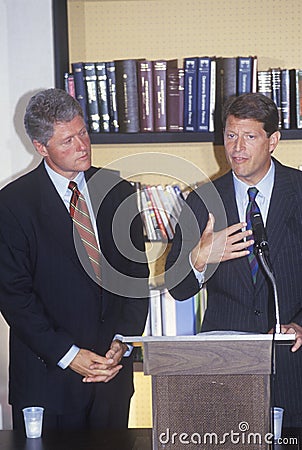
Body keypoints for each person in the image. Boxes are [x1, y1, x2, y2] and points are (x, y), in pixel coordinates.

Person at [0, 88, 149, 430]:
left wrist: (123, 343)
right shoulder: (13, 204)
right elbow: (15, 298)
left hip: (111, 378)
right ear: (41, 148)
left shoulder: (118, 191)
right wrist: (70, 356)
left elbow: (136, 279)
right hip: (47, 383)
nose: (81, 146)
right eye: (67, 141)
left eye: (82, 133)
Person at [165, 92, 302, 427]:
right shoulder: (202, 200)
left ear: (273, 141)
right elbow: (176, 288)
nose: (237, 148)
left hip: (293, 366)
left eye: (250, 136)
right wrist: (199, 259)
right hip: (225, 370)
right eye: (230, 135)